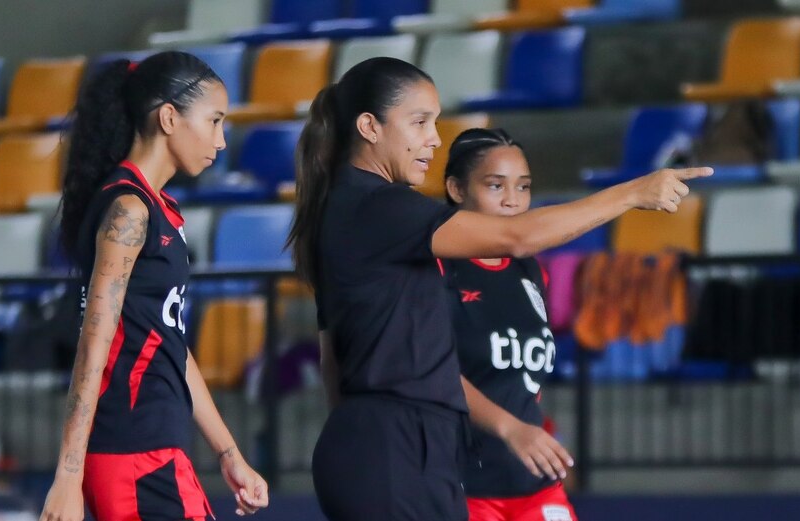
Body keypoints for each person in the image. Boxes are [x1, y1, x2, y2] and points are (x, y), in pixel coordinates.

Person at [287, 57, 710, 521]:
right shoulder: (379, 206)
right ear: (369, 126)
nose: (434, 138)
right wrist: (631, 193)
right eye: (420, 122)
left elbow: (333, 360)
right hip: (395, 451)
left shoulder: (348, 207)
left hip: (391, 451)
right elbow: (517, 236)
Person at [40, 52, 269, 521]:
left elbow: (170, 343)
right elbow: (94, 340)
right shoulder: (129, 209)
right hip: (132, 455)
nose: (222, 141)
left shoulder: (158, 208)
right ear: (169, 117)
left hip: (155, 450)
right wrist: (68, 474)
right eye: (214, 121)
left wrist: (229, 453)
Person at [440, 128, 577, 521]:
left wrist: (541, 437)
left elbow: (520, 383)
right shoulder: (436, 267)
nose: (513, 201)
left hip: (532, 483)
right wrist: (510, 429)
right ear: (456, 188)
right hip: (463, 485)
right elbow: (432, 371)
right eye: (495, 186)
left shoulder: (530, 269)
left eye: (523, 187)